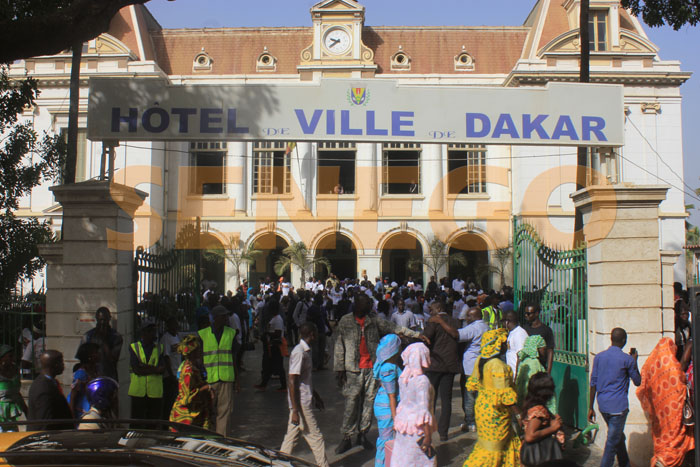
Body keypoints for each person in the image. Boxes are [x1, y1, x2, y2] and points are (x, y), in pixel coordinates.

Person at [334, 293, 424, 454]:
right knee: (351, 402)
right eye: (365, 304)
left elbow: (395, 328)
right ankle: (347, 436)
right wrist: (339, 368)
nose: (369, 306)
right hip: (352, 369)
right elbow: (339, 345)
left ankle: (363, 434)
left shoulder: (374, 321)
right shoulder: (345, 321)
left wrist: (416, 335)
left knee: (369, 401)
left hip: (371, 368)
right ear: (357, 305)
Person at [463, 328, 521, 467]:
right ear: (496, 344)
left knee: (489, 445)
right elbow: (506, 397)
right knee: (494, 449)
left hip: (483, 409)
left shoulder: (481, 360)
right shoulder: (499, 366)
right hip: (496, 413)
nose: (505, 346)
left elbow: (473, 385)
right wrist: (519, 416)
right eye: (503, 343)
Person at [636, 337, 694, 467]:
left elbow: (643, 384)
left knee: (661, 438)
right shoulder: (674, 367)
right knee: (673, 438)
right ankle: (665, 460)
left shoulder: (652, 367)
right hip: (673, 412)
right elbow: (681, 385)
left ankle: (660, 457)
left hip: (658, 412)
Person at [588, 327, 641, 467]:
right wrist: (634, 361)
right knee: (611, 443)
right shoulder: (627, 360)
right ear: (624, 341)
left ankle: (625, 464)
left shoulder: (599, 357)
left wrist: (590, 407)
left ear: (612, 339)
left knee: (617, 437)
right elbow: (638, 381)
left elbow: (593, 383)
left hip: (603, 406)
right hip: (618, 408)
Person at [280, 323, 329, 467]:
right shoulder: (299, 352)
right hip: (301, 403)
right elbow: (292, 380)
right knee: (315, 437)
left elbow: (303, 380)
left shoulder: (306, 351)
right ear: (312, 334)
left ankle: (278, 462)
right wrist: (295, 410)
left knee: (292, 436)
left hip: (303, 400)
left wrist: (316, 396)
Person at [391, 343, 436, 467]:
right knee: (421, 461)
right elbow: (423, 410)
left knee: (403, 460)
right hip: (418, 430)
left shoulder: (404, 377)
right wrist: (428, 437)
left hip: (403, 426)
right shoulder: (422, 381)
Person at [199, 304, 239, 436]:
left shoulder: (230, 333)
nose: (226, 319)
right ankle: (207, 439)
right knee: (207, 412)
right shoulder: (203, 335)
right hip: (209, 380)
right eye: (223, 316)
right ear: (215, 318)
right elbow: (198, 357)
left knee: (224, 413)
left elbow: (234, 358)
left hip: (226, 379)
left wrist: (237, 380)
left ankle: (222, 441)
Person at [423, 301, 460, 441]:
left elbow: (425, 338)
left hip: (435, 364)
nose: (430, 311)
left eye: (431, 308)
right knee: (446, 399)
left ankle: (429, 430)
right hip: (450, 365)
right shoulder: (455, 321)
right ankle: (443, 432)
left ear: (438, 308)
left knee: (430, 398)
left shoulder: (433, 322)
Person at [455, 307, 489, 432]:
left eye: (469, 316)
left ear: (475, 316)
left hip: (470, 366)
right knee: (480, 394)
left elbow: (457, 335)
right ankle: (481, 419)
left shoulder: (473, 327)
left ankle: (470, 422)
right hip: (483, 364)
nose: (467, 318)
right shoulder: (486, 327)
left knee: (469, 395)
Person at [169, 334, 213, 430]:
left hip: (197, 415)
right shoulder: (188, 371)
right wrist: (206, 388)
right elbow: (187, 397)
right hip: (186, 418)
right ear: (193, 352)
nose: (201, 351)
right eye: (198, 349)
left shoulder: (195, 366)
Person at [520, 372, 564, 466]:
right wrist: (553, 428)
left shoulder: (530, 405)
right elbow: (530, 436)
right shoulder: (539, 410)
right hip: (539, 456)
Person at [128, 320, 167, 422]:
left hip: (155, 393)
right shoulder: (134, 347)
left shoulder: (160, 348)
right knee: (137, 423)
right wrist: (155, 369)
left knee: (153, 423)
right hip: (138, 393)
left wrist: (145, 366)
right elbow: (137, 370)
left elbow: (162, 369)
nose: (154, 334)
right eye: (150, 331)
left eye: (154, 331)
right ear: (144, 333)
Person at [373, 334, 402, 467]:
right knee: (386, 441)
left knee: (385, 440)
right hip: (388, 408)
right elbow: (391, 395)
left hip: (383, 405)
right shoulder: (389, 368)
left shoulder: (383, 365)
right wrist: (395, 418)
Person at [28, 350, 73, 430]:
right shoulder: (43, 388)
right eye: (61, 362)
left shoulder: (50, 382)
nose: (64, 366)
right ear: (55, 365)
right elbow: (44, 421)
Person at [79, 307, 123, 381]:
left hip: (109, 377)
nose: (102, 323)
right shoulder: (88, 336)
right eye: (100, 320)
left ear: (109, 319)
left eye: (104, 320)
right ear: (97, 319)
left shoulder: (115, 337)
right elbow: (82, 359)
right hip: (92, 377)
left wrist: (103, 341)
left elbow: (113, 359)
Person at [515, 335, 556, 414]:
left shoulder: (525, 361)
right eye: (543, 349)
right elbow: (533, 388)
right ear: (537, 349)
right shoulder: (534, 364)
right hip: (533, 407)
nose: (544, 352)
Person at [255, 300, 287, 391]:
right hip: (272, 345)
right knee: (269, 365)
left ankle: (283, 386)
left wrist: (267, 334)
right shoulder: (275, 318)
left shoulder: (277, 320)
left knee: (278, 366)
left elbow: (278, 332)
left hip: (276, 345)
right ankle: (263, 384)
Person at [68, 342, 101, 420]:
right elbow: (73, 396)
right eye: (96, 352)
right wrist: (72, 419)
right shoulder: (81, 374)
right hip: (82, 414)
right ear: (89, 356)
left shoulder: (95, 371)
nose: (99, 355)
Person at [0, 345, 28, 432]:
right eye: (10, 356)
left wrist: (26, 411)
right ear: (2, 357)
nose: (13, 358)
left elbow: (17, 394)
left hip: (11, 415)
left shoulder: (15, 371)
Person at [523, 304, 554, 374]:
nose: (526, 316)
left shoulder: (546, 330)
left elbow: (550, 351)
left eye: (528, 314)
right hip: (526, 367)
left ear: (536, 313)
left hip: (540, 368)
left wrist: (548, 371)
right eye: (525, 313)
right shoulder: (524, 329)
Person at [161, 316, 181, 419]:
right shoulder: (166, 338)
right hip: (170, 375)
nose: (175, 327)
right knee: (169, 400)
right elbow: (166, 357)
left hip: (177, 372)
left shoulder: (176, 337)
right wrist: (171, 374)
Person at [503, 311, 528, 377]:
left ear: (507, 321)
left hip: (517, 373)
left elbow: (520, 355)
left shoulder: (519, 333)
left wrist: (517, 375)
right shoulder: (512, 333)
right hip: (512, 373)